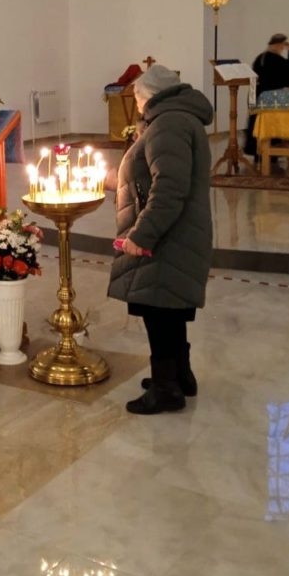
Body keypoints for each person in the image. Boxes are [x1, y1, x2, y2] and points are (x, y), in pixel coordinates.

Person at [108, 65, 213, 415]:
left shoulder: (167, 123)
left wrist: (142, 234)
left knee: (159, 310)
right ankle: (179, 375)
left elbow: (169, 188)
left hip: (168, 236)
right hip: (179, 233)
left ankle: (166, 389)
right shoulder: (180, 118)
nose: (137, 105)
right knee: (170, 308)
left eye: (137, 98)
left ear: (147, 95)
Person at [245, 33, 289, 157]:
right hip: (272, 99)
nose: (283, 48)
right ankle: (271, 155)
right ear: (279, 45)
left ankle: (258, 153)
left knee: (257, 123)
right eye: (282, 46)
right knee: (271, 125)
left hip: (258, 95)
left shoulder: (261, 58)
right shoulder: (276, 59)